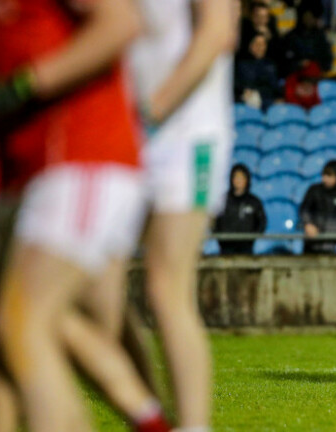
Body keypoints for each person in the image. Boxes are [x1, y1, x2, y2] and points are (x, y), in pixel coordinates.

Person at [0, 1, 175, 431]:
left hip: (83, 158)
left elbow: (120, 23)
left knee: (24, 324)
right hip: (24, 173)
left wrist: (22, 85)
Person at [128, 0, 237, 430]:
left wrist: (153, 108)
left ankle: (192, 425)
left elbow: (217, 32)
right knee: (93, 294)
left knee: (164, 286)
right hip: (132, 129)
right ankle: (148, 414)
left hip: (188, 134)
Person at [299, 160, 336, 254]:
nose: (326, 178)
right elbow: (304, 209)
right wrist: (308, 224)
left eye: (330, 175)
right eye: (324, 175)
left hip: (332, 243)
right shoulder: (314, 190)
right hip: (311, 242)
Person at [214, 163, 267, 254]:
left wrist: (251, 238)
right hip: (226, 248)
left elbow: (261, 222)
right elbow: (214, 221)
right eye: (236, 177)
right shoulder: (222, 200)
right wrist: (221, 238)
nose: (238, 181)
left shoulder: (254, 202)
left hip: (246, 248)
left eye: (241, 177)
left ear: (247, 180)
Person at [234, 33, 282, 110]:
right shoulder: (241, 64)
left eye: (263, 44)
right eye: (257, 44)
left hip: (268, 101)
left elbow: (275, 87)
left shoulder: (270, 65)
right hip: (246, 101)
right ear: (250, 46)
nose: (260, 48)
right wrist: (244, 91)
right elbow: (236, 85)